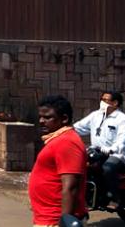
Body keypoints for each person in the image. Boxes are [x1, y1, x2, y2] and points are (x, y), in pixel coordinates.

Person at [29, 95, 87, 227]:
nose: (41, 121)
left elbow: (71, 187)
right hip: (45, 217)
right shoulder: (56, 140)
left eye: (48, 117)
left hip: (54, 220)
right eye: (41, 117)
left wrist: (64, 221)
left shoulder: (67, 142)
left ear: (64, 119)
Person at [74, 90, 125, 210]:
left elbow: (122, 139)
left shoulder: (122, 119)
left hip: (117, 154)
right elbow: (79, 127)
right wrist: (65, 131)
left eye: (105, 100)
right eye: (102, 99)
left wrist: (111, 149)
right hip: (97, 152)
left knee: (108, 168)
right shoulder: (96, 115)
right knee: (80, 165)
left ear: (115, 103)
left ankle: (115, 198)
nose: (102, 102)